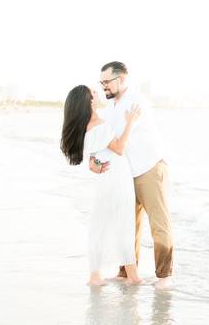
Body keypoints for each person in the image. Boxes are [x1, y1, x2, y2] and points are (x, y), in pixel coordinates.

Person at [90, 61, 174, 289]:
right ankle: (126, 272)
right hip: (126, 173)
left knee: (159, 223)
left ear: (122, 79)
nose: (103, 86)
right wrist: (94, 161)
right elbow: (104, 139)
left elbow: (115, 138)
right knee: (128, 225)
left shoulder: (135, 100)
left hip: (149, 169)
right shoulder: (114, 105)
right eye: (101, 82)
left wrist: (99, 111)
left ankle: (165, 276)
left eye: (106, 82)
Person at [60, 84, 143, 286]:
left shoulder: (84, 126)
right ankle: (132, 276)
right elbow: (120, 148)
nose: (97, 94)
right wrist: (131, 122)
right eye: (93, 93)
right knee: (123, 224)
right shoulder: (98, 124)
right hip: (117, 178)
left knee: (100, 225)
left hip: (105, 180)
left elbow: (93, 159)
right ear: (88, 101)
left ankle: (95, 275)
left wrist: (95, 164)